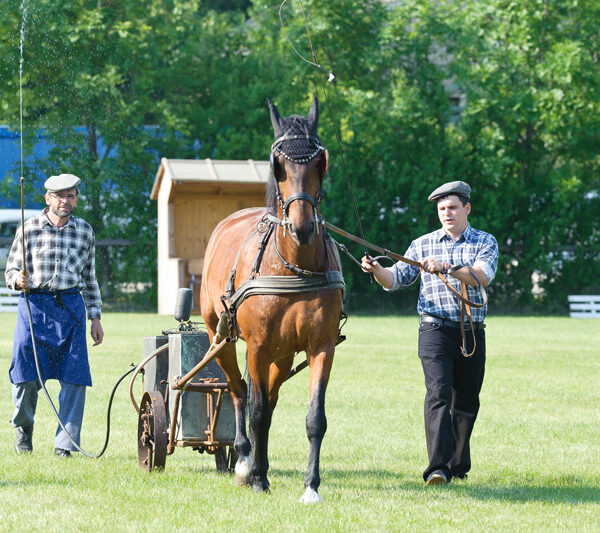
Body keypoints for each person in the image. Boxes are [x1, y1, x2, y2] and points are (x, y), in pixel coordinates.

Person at [361, 181, 498, 485]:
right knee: (438, 394)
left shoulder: (485, 242)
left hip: (471, 332)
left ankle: (458, 464)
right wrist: (376, 271)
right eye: (441, 209)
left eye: (452, 207)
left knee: (466, 400)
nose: (446, 213)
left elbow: (483, 276)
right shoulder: (422, 244)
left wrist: (446, 267)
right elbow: (395, 279)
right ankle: (437, 468)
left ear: (467, 209)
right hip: (434, 328)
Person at [5, 173, 104, 457]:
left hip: (71, 309)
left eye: (70, 195)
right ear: (48, 199)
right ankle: (24, 428)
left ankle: (66, 444)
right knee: (24, 377)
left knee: (75, 378)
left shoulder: (85, 231)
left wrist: (95, 316)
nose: (65, 201)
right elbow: (10, 270)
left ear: (76, 199)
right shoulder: (29, 228)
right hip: (34, 307)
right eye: (59, 196)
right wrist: (17, 281)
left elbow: (90, 278)